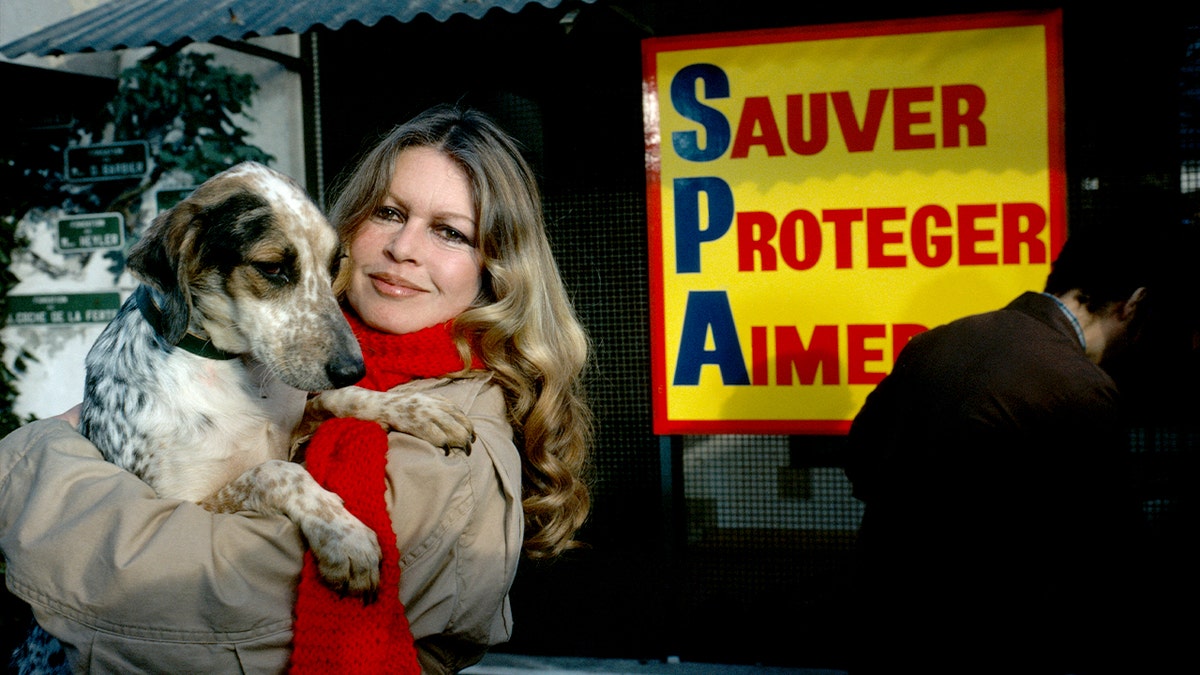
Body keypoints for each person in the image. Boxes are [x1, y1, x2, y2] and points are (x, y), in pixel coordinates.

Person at [0, 104, 592, 674]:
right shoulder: (287, 360)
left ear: (497, 266)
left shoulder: (455, 452)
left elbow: (164, 595)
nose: (404, 249)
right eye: (389, 212)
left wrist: (34, 457)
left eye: (449, 232)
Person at [842, 227, 1157, 674]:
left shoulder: (934, 342)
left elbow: (860, 460)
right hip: (992, 639)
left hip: (881, 620)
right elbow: (1113, 550)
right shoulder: (1081, 386)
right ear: (1133, 303)